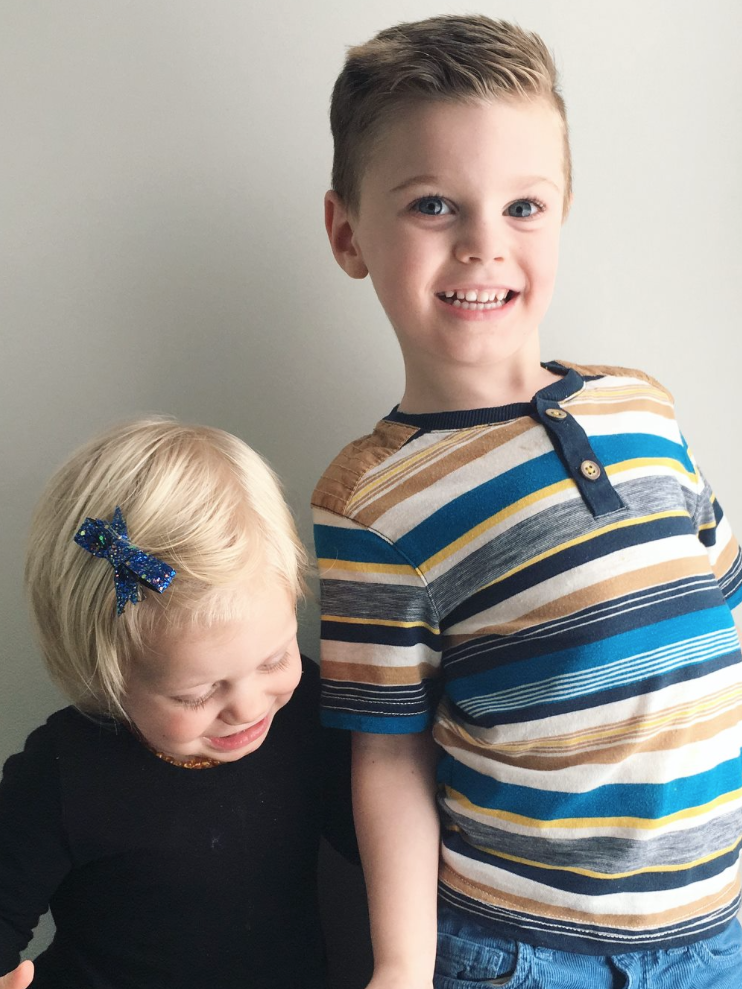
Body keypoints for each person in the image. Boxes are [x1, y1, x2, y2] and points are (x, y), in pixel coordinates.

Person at [312, 13, 742, 989]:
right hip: (527, 951)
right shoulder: (372, 502)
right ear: (347, 232)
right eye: (433, 205)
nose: (483, 245)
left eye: (522, 206)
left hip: (715, 928)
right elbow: (388, 755)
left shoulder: (642, 405)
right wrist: (400, 963)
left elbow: (722, 627)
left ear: (563, 211)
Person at [0, 417, 354, 989]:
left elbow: (372, 837)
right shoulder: (64, 770)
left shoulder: (307, 713)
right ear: (108, 676)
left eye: (273, 660)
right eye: (196, 693)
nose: (248, 707)